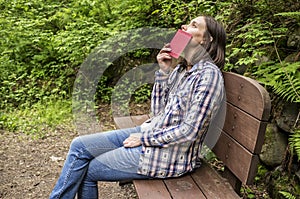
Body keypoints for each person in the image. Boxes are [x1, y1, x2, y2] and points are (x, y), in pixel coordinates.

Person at [49, 15, 226, 199]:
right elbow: (158, 113)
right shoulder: (182, 71)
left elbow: (190, 131)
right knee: (79, 146)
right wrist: (164, 72)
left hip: (168, 156)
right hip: (152, 134)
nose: (184, 26)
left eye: (193, 25)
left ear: (207, 39)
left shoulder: (208, 76)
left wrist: (144, 138)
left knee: (88, 170)